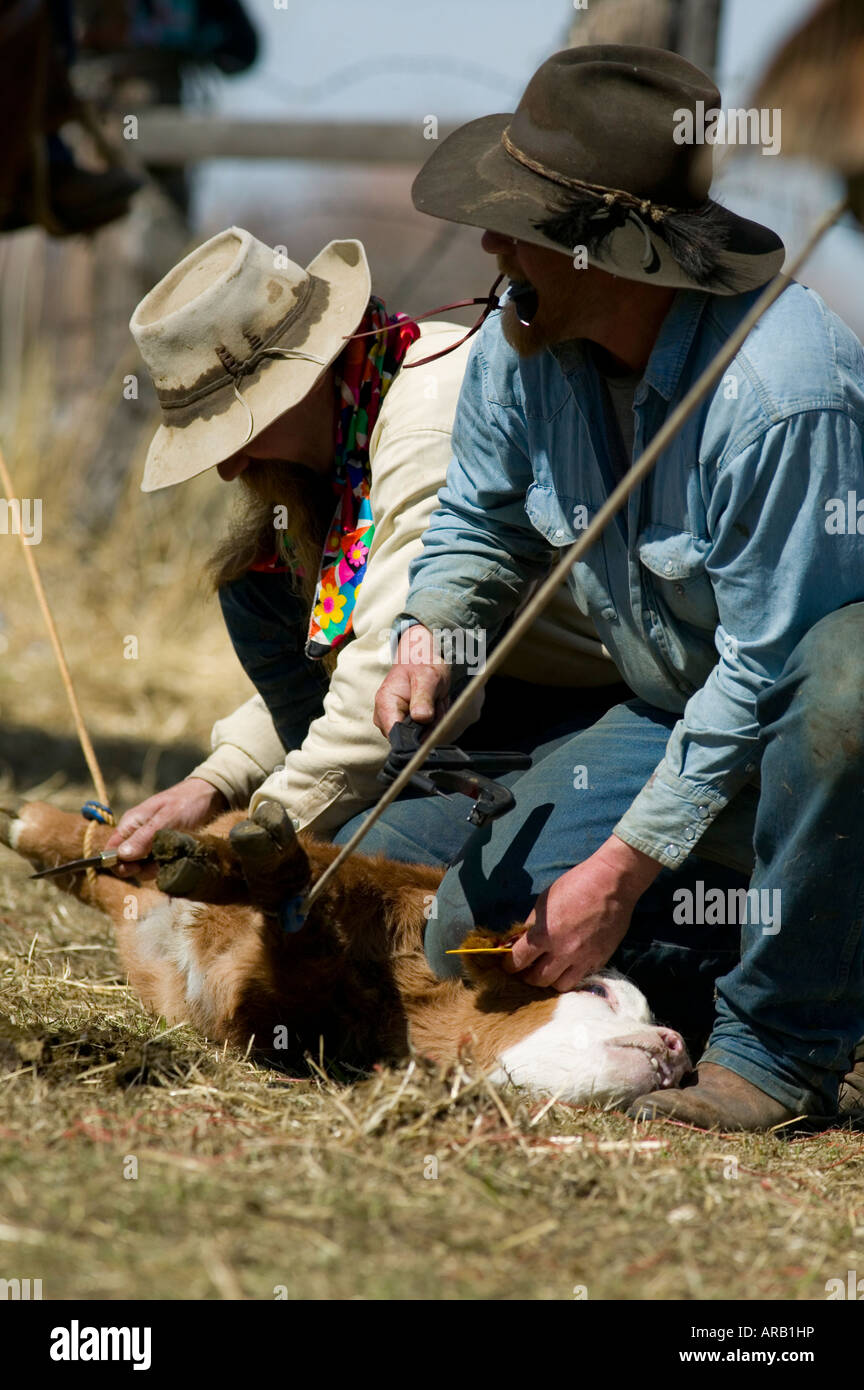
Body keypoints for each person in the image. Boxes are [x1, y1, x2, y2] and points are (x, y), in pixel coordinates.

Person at [369, 45, 864, 1131]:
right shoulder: (526, 336)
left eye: (520, 221)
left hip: (807, 739)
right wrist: (432, 632)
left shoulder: (783, 394)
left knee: (847, 679)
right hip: (672, 717)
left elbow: (771, 670)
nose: (492, 243)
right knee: (472, 928)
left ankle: (781, 1048)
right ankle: (762, 957)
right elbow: (478, 521)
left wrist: (623, 868)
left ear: (605, 250)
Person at [108, 227, 623, 870]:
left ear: (305, 377)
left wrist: (253, 835)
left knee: (376, 856)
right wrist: (217, 782)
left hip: (569, 704)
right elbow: (351, 660)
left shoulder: (431, 411)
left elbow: (388, 669)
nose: (230, 468)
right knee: (256, 584)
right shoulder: (350, 426)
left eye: (234, 431)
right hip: (448, 699)